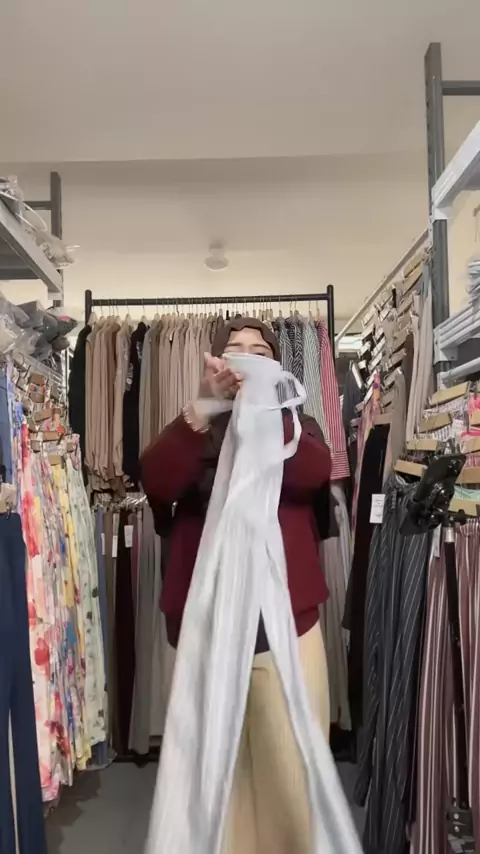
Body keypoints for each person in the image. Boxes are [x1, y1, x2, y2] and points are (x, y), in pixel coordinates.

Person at [141, 317, 332, 854]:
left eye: (259, 351)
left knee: (289, 770)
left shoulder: (296, 422)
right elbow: (156, 480)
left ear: (276, 365)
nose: (247, 356)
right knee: (212, 773)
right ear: (216, 363)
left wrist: (274, 412)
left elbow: (314, 475)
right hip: (205, 627)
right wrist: (204, 409)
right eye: (235, 349)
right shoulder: (194, 423)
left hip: (284, 628)